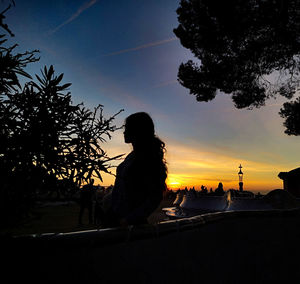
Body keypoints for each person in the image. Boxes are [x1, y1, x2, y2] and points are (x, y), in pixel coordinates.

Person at [104, 112, 167, 227]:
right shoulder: (132, 156)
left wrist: (128, 220)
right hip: (115, 218)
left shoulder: (148, 158)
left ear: (138, 130)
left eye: (127, 128)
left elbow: (155, 197)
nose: (124, 131)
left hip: (129, 226)